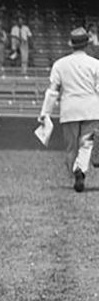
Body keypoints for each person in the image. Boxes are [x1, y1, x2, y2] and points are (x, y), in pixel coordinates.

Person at [39, 28, 99, 193]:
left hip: (69, 109)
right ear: (87, 44)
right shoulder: (95, 64)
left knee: (71, 146)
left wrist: (45, 113)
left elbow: (53, 91)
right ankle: (81, 169)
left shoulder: (60, 64)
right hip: (91, 108)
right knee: (87, 143)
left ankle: (75, 170)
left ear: (71, 44)